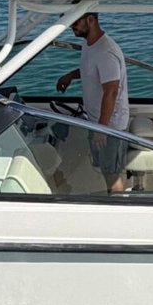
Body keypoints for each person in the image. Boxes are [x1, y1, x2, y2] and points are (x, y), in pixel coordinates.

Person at [56, 10, 131, 193]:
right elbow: (90, 70)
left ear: (90, 20)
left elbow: (111, 91)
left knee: (111, 173)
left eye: (75, 22)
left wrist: (102, 129)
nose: (72, 27)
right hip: (98, 121)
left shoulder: (106, 52)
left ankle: (118, 212)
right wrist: (70, 76)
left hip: (110, 125)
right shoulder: (90, 45)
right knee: (105, 170)